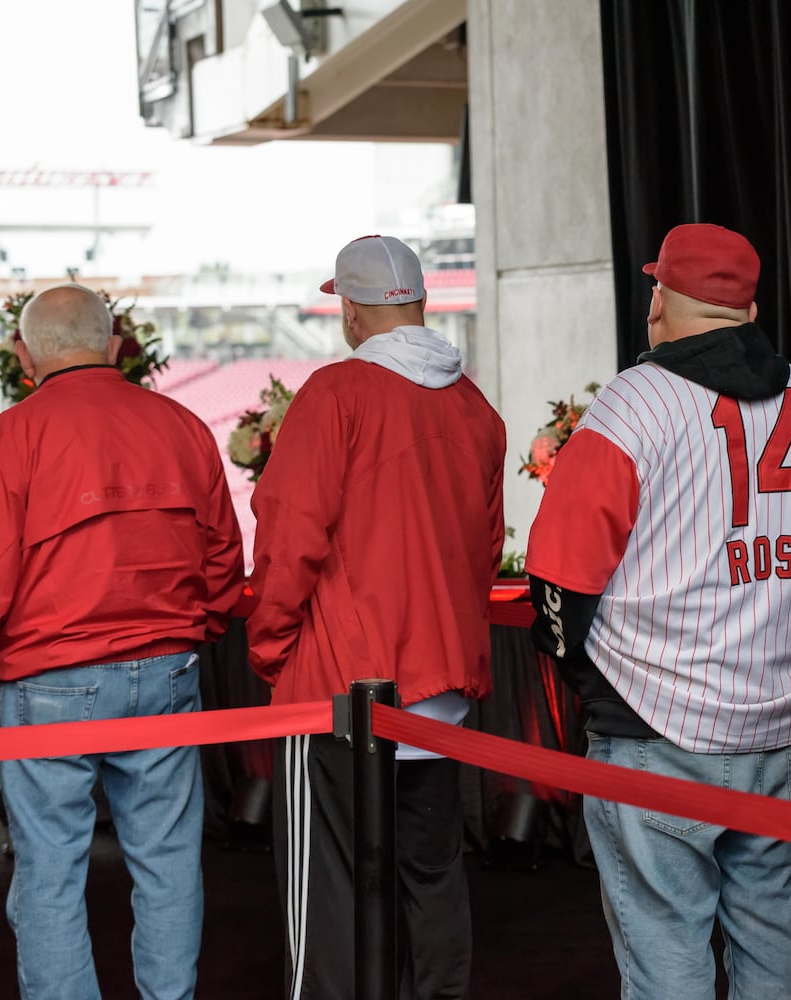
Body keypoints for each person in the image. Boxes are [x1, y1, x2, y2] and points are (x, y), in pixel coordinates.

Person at [526, 222, 791, 1000]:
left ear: (658, 303)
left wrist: (589, 688)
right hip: (781, 727)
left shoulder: (632, 402)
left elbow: (556, 580)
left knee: (666, 946)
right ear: (749, 311)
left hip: (656, 725)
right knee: (775, 931)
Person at [0, 283, 244, 1000]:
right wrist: (198, 628)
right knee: (169, 861)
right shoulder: (181, 425)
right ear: (117, 342)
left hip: (51, 679)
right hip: (168, 668)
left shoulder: (14, 436)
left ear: (25, 357)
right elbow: (222, 558)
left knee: (50, 871)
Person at [247, 235, 506, 1000]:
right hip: (442, 692)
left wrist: (269, 649)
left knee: (329, 895)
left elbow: (290, 535)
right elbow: (485, 551)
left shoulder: (335, 394)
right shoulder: (474, 405)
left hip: (338, 690)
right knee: (433, 881)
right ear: (420, 303)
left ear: (352, 312)